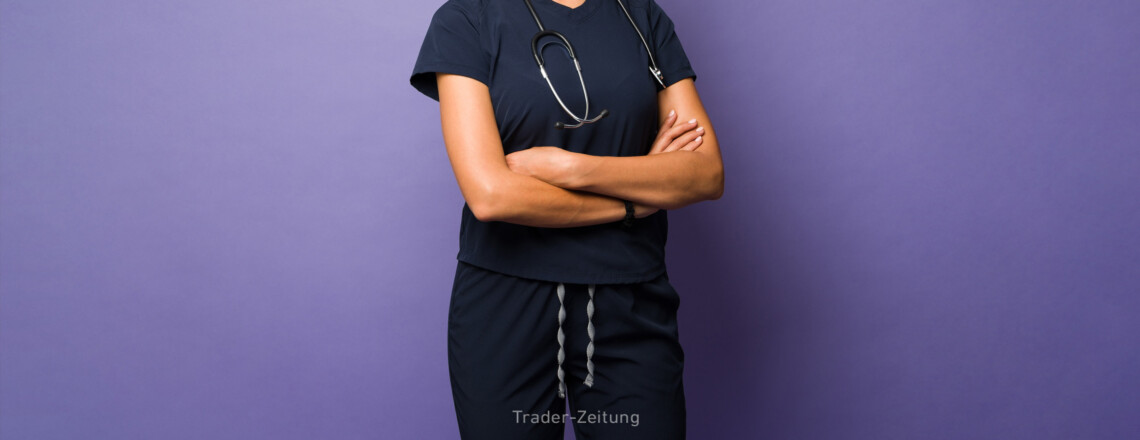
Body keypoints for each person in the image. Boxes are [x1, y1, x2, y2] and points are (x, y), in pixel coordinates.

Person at [409, 0, 723, 438]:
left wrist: (574, 168)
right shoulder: (467, 18)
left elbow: (705, 173)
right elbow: (492, 195)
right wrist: (632, 203)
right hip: (505, 309)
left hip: (630, 301)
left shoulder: (640, 15)